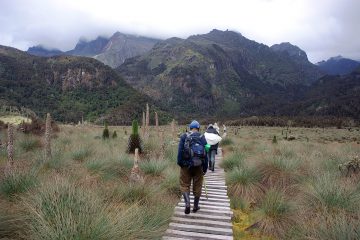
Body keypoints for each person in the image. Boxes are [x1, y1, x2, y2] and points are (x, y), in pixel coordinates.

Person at [177, 120, 208, 214]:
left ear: (190, 128)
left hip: (186, 165)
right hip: (198, 165)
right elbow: (205, 154)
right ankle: (195, 206)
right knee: (198, 185)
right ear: (198, 128)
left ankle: (187, 203)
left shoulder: (184, 136)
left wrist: (180, 163)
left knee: (185, 184)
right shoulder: (202, 137)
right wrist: (205, 168)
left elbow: (179, 152)